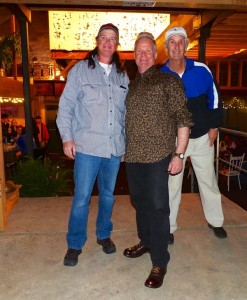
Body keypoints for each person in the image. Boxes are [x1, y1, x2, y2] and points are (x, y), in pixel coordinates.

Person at [123, 32, 192, 289]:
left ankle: (160, 261)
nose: (142, 56)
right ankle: (147, 241)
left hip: (158, 156)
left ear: (154, 55)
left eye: (147, 51)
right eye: (138, 51)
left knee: (159, 207)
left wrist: (179, 154)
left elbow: (183, 119)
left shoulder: (168, 82)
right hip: (133, 156)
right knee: (139, 203)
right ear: (135, 55)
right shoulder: (132, 85)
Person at [56, 23, 129, 267]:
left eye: (113, 39)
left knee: (108, 196)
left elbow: (126, 113)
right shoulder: (80, 70)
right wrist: (67, 137)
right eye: (104, 38)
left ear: (117, 44)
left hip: (113, 149)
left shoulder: (122, 74)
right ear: (97, 41)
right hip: (87, 147)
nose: (108, 42)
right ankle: (75, 244)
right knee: (81, 198)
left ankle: (104, 235)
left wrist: (126, 143)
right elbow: (65, 107)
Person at [160, 26, 227, 245]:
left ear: (187, 45)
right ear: (166, 47)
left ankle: (216, 222)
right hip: (175, 142)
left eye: (181, 42)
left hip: (201, 138)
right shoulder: (160, 75)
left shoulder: (202, 69)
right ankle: (168, 227)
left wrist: (215, 125)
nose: (177, 46)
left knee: (208, 182)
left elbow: (215, 98)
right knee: (171, 186)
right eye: (172, 42)